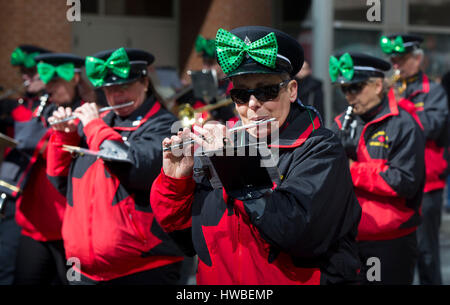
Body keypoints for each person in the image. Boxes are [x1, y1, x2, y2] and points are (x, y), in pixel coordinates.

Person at [150, 26, 362, 285]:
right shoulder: (223, 141)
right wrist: (175, 184)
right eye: (241, 94)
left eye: (266, 91)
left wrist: (233, 162)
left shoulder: (320, 148)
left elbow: (298, 232)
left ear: (292, 90)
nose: (252, 104)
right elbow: (186, 236)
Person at [46, 47, 184, 284]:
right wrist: (64, 136)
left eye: (125, 87)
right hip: (84, 271)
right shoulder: (100, 125)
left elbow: (136, 168)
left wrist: (92, 126)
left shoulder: (165, 125)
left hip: (143, 269)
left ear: (145, 83)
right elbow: (59, 182)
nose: (117, 95)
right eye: (110, 89)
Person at [331, 52, 426, 284]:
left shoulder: (403, 124)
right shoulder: (340, 122)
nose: (349, 96)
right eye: (344, 90)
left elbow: (404, 182)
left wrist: (352, 169)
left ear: (377, 85)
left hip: (389, 241)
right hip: (348, 238)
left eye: (356, 88)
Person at [0, 53, 86, 285]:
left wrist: (42, 146)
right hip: (34, 221)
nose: (51, 89)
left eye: (56, 82)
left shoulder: (87, 112)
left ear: (76, 79)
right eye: (48, 83)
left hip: (68, 223)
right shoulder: (42, 108)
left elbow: (78, 156)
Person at [380, 34, 449, 285]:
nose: (397, 65)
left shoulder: (434, 90)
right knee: (400, 252)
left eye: (403, 59)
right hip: (397, 181)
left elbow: (433, 126)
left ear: (418, 59)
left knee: (427, 252)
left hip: (428, 185)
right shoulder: (390, 89)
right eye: (394, 60)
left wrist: (402, 105)